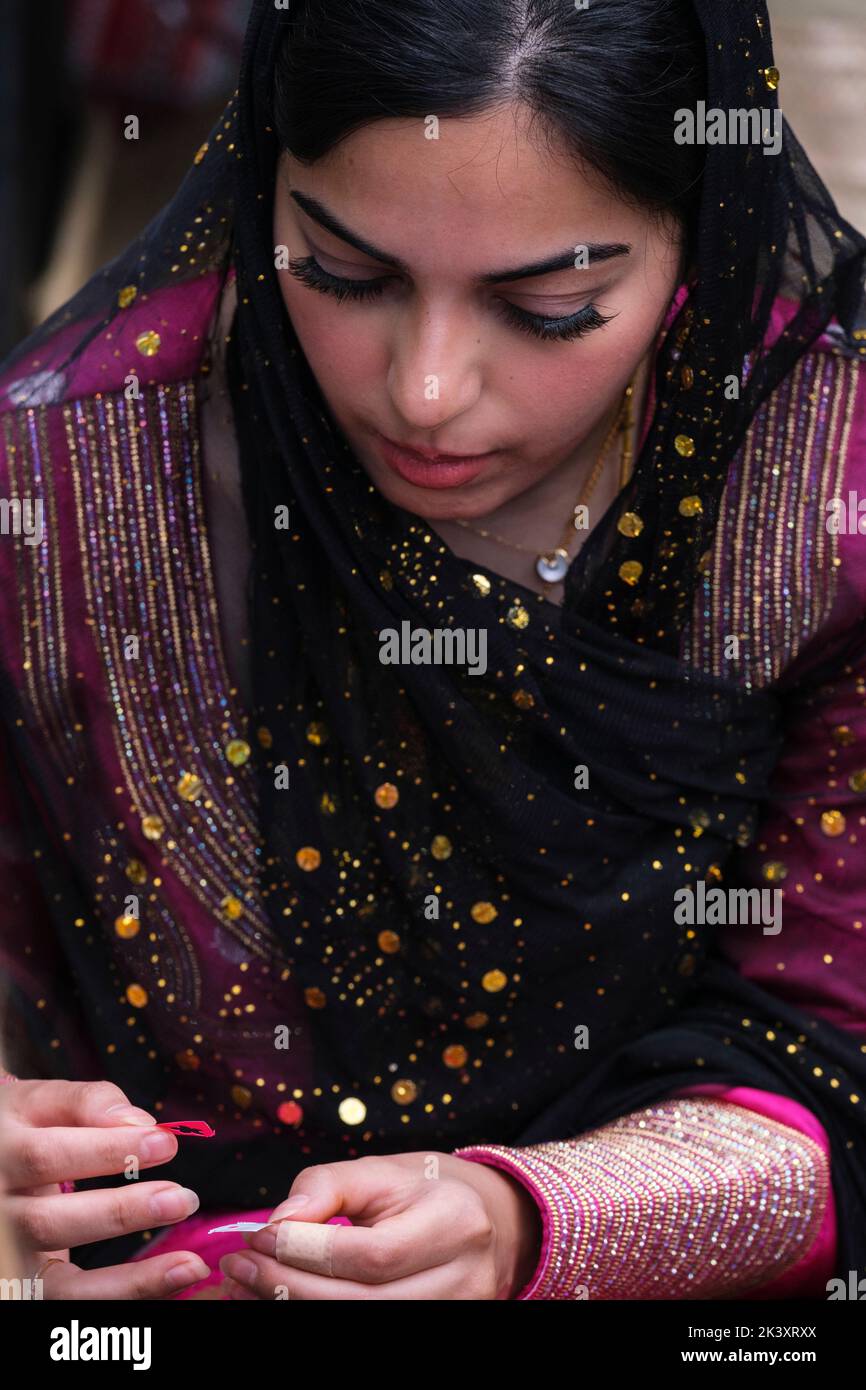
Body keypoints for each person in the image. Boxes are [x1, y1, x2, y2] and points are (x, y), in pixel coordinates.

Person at [0, 0, 864, 1301]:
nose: (424, 389)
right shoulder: (66, 484)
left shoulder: (820, 501)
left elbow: (837, 1038)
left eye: (551, 305)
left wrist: (530, 1220)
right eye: (344, 274)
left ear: (698, 234)